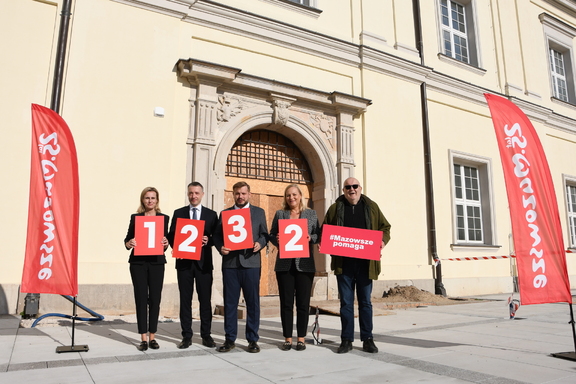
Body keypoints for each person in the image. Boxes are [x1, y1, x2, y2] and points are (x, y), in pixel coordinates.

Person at [322, 177, 391, 354]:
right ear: (344, 190)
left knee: (365, 303)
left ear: (360, 188)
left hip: (366, 265)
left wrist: (382, 240)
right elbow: (325, 230)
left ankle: (367, 339)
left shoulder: (372, 207)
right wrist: (323, 241)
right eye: (348, 187)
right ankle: (346, 340)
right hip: (344, 265)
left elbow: (385, 227)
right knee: (346, 303)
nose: (351, 189)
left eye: (354, 186)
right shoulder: (335, 208)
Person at [213, 181, 269, 353]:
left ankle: (252, 340)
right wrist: (220, 246)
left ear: (249, 194)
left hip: (251, 263)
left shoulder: (258, 212)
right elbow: (216, 236)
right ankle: (230, 339)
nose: (240, 196)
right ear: (233, 194)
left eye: (243, 193)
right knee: (230, 303)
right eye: (237, 193)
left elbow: (265, 234)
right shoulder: (225, 214)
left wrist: (260, 243)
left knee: (252, 303)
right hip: (231, 265)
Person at [168, 182, 218, 349]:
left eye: (196, 193)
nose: (193, 196)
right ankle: (186, 336)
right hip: (184, 264)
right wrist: (174, 246)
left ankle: (206, 335)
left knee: (205, 301)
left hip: (204, 265)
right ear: (188, 194)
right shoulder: (179, 213)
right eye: (191, 193)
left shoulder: (211, 215)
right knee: (185, 300)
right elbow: (171, 236)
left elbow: (217, 237)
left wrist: (208, 240)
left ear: (202, 194)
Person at [269, 184, 319, 351]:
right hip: (284, 265)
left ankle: (301, 338)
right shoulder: (280, 214)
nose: (291, 198)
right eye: (288, 195)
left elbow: (318, 234)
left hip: (305, 265)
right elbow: (272, 234)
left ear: (300, 196)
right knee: (286, 303)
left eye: (294, 195)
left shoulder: (311, 214)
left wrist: (310, 237)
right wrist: (277, 239)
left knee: (303, 303)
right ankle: (288, 338)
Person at [124, 187, 169, 351]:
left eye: (153, 198)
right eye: (147, 198)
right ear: (142, 200)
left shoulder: (164, 218)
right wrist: (129, 243)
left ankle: (153, 337)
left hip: (157, 263)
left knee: (155, 299)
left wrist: (166, 243)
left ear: (157, 200)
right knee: (141, 299)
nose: (150, 201)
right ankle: (143, 337)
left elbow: (165, 242)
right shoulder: (135, 218)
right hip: (138, 263)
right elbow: (127, 239)